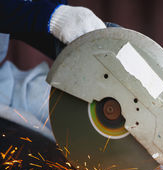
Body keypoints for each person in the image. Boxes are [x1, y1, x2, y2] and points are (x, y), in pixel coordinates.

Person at [0, 0, 105, 138]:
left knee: (79, 115)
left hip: (3, 85)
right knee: (33, 144)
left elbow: (22, 18)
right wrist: (53, 16)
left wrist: (76, 46)